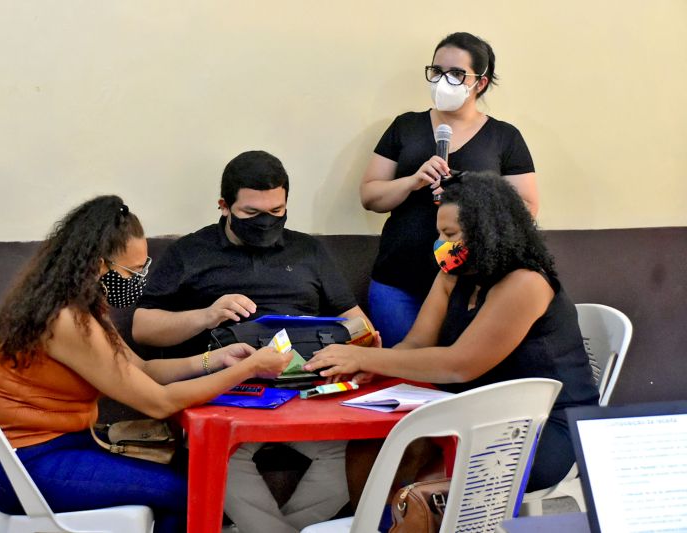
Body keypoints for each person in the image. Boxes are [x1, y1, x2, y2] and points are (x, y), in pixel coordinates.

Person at [0, 195, 292, 533]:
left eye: (144, 268)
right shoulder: (65, 319)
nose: (140, 279)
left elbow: (144, 370)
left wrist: (216, 359)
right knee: (186, 494)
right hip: (23, 464)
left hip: (59, 447)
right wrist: (247, 369)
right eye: (133, 271)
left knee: (182, 485)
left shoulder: (82, 308)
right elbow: (158, 402)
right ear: (98, 265)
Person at [305, 172, 599, 493]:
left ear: (487, 233)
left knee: (425, 489)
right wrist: (372, 367)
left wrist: (364, 356)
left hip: (542, 426)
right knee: (371, 448)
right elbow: (416, 343)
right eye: (440, 234)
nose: (443, 244)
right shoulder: (454, 275)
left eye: (450, 233)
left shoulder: (525, 283)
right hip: (475, 412)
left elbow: (459, 365)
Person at [132, 150, 372, 533]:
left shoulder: (308, 250)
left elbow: (358, 324)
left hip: (304, 390)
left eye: (276, 211)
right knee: (219, 456)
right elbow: (143, 327)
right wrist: (208, 315)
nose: (265, 222)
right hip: (224, 392)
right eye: (250, 213)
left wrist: (353, 348)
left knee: (356, 454)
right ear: (224, 206)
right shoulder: (190, 252)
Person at [361, 31, 539, 347]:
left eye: (457, 74)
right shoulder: (405, 126)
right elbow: (370, 195)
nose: (444, 80)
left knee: (455, 377)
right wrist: (412, 180)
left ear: (480, 83)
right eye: (437, 71)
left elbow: (526, 208)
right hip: (399, 282)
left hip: (470, 284)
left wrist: (469, 191)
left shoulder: (504, 137)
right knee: (403, 374)